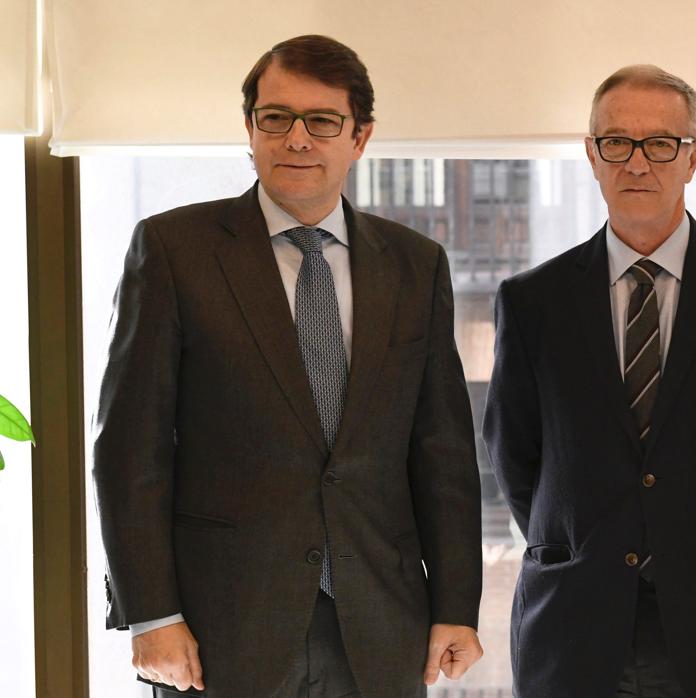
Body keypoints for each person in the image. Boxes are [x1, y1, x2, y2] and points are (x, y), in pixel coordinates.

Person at [93, 34, 483, 697]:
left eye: (322, 121)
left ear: (359, 138)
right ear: (250, 129)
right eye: (276, 118)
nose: (296, 139)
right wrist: (152, 613)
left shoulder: (417, 266)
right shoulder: (173, 250)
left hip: (381, 624)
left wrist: (455, 606)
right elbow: (133, 448)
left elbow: (441, 451)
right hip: (221, 629)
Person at [482, 64, 696, 698]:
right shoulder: (532, 300)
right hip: (573, 621)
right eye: (617, 142)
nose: (638, 163)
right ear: (591, 155)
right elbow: (515, 454)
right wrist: (583, 540)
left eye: (661, 143)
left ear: (694, 158)